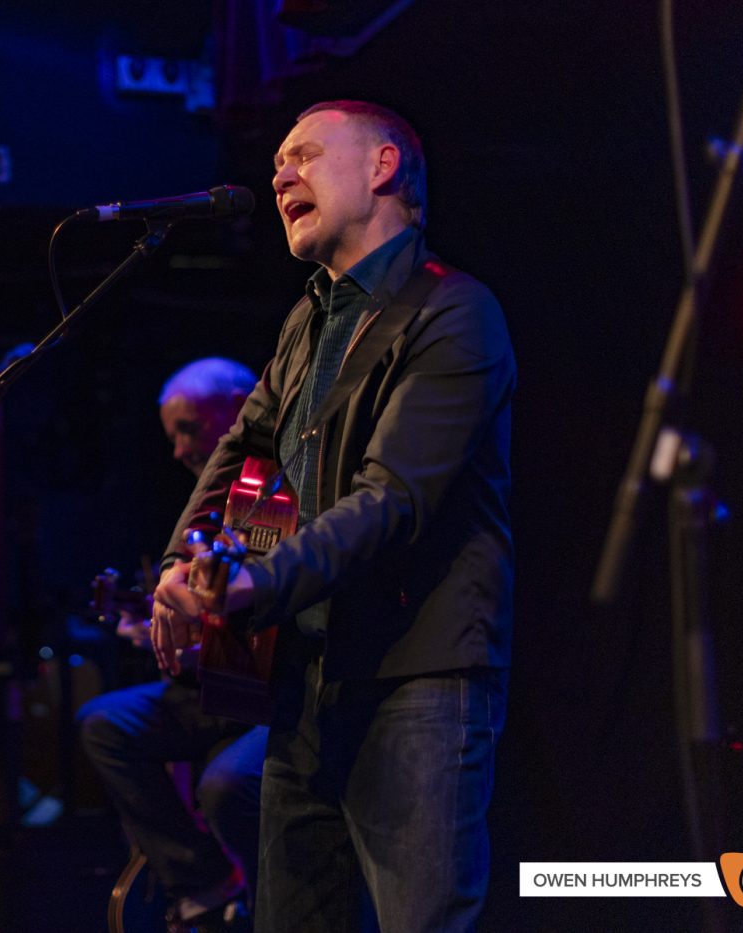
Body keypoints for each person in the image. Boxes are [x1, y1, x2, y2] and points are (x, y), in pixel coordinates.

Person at [152, 100, 515, 932]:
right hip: (307, 681)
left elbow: (392, 499)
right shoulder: (306, 321)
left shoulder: (454, 312)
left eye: (304, 155)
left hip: (414, 678)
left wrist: (249, 588)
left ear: (383, 167)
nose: (279, 176)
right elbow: (242, 453)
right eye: (277, 162)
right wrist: (180, 564)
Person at [77, 358, 268, 933]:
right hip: (223, 688)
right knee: (105, 723)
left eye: (190, 428)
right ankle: (205, 884)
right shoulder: (204, 511)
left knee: (225, 784)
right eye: (173, 435)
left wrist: (209, 635)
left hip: (278, 695)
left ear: (238, 409)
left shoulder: (273, 487)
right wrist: (169, 635)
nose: (180, 450)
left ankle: (268, 907)